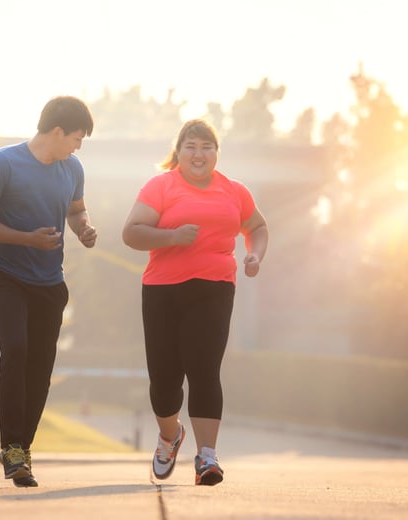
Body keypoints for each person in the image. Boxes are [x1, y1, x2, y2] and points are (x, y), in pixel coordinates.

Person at [121, 119, 268, 486]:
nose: (199, 154)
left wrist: (255, 255)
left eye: (207, 147)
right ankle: (170, 437)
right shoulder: (161, 186)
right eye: (191, 146)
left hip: (214, 289)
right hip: (163, 291)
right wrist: (172, 236)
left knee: (204, 370)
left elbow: (258, 228)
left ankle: (207, 458)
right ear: (179, 152)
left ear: (217, 152)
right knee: (164, 379)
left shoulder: (234, 191)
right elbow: (131, 233)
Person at [0, 96, 97, 488]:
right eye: (76, 138)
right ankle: (11, 447)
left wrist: (84, 228)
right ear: (57, 132)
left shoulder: (72, 168)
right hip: (5, 275)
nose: (78, 147)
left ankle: (22, 451)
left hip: (48, 281)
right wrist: (26, 239)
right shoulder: (2, 163)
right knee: (17, 349)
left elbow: (76, 211)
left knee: (40, 367)